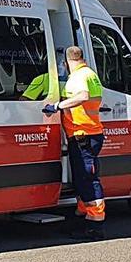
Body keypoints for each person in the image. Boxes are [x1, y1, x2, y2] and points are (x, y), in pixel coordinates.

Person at [43, 46, 106, 240]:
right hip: (88, 133)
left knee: (87, 177)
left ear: (67, 61)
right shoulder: (90, 74)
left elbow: (83, 96)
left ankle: (95, 224)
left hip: (83, 135)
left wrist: (57, 106)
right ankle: (82, 216)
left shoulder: (79, 77)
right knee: (82, 178)